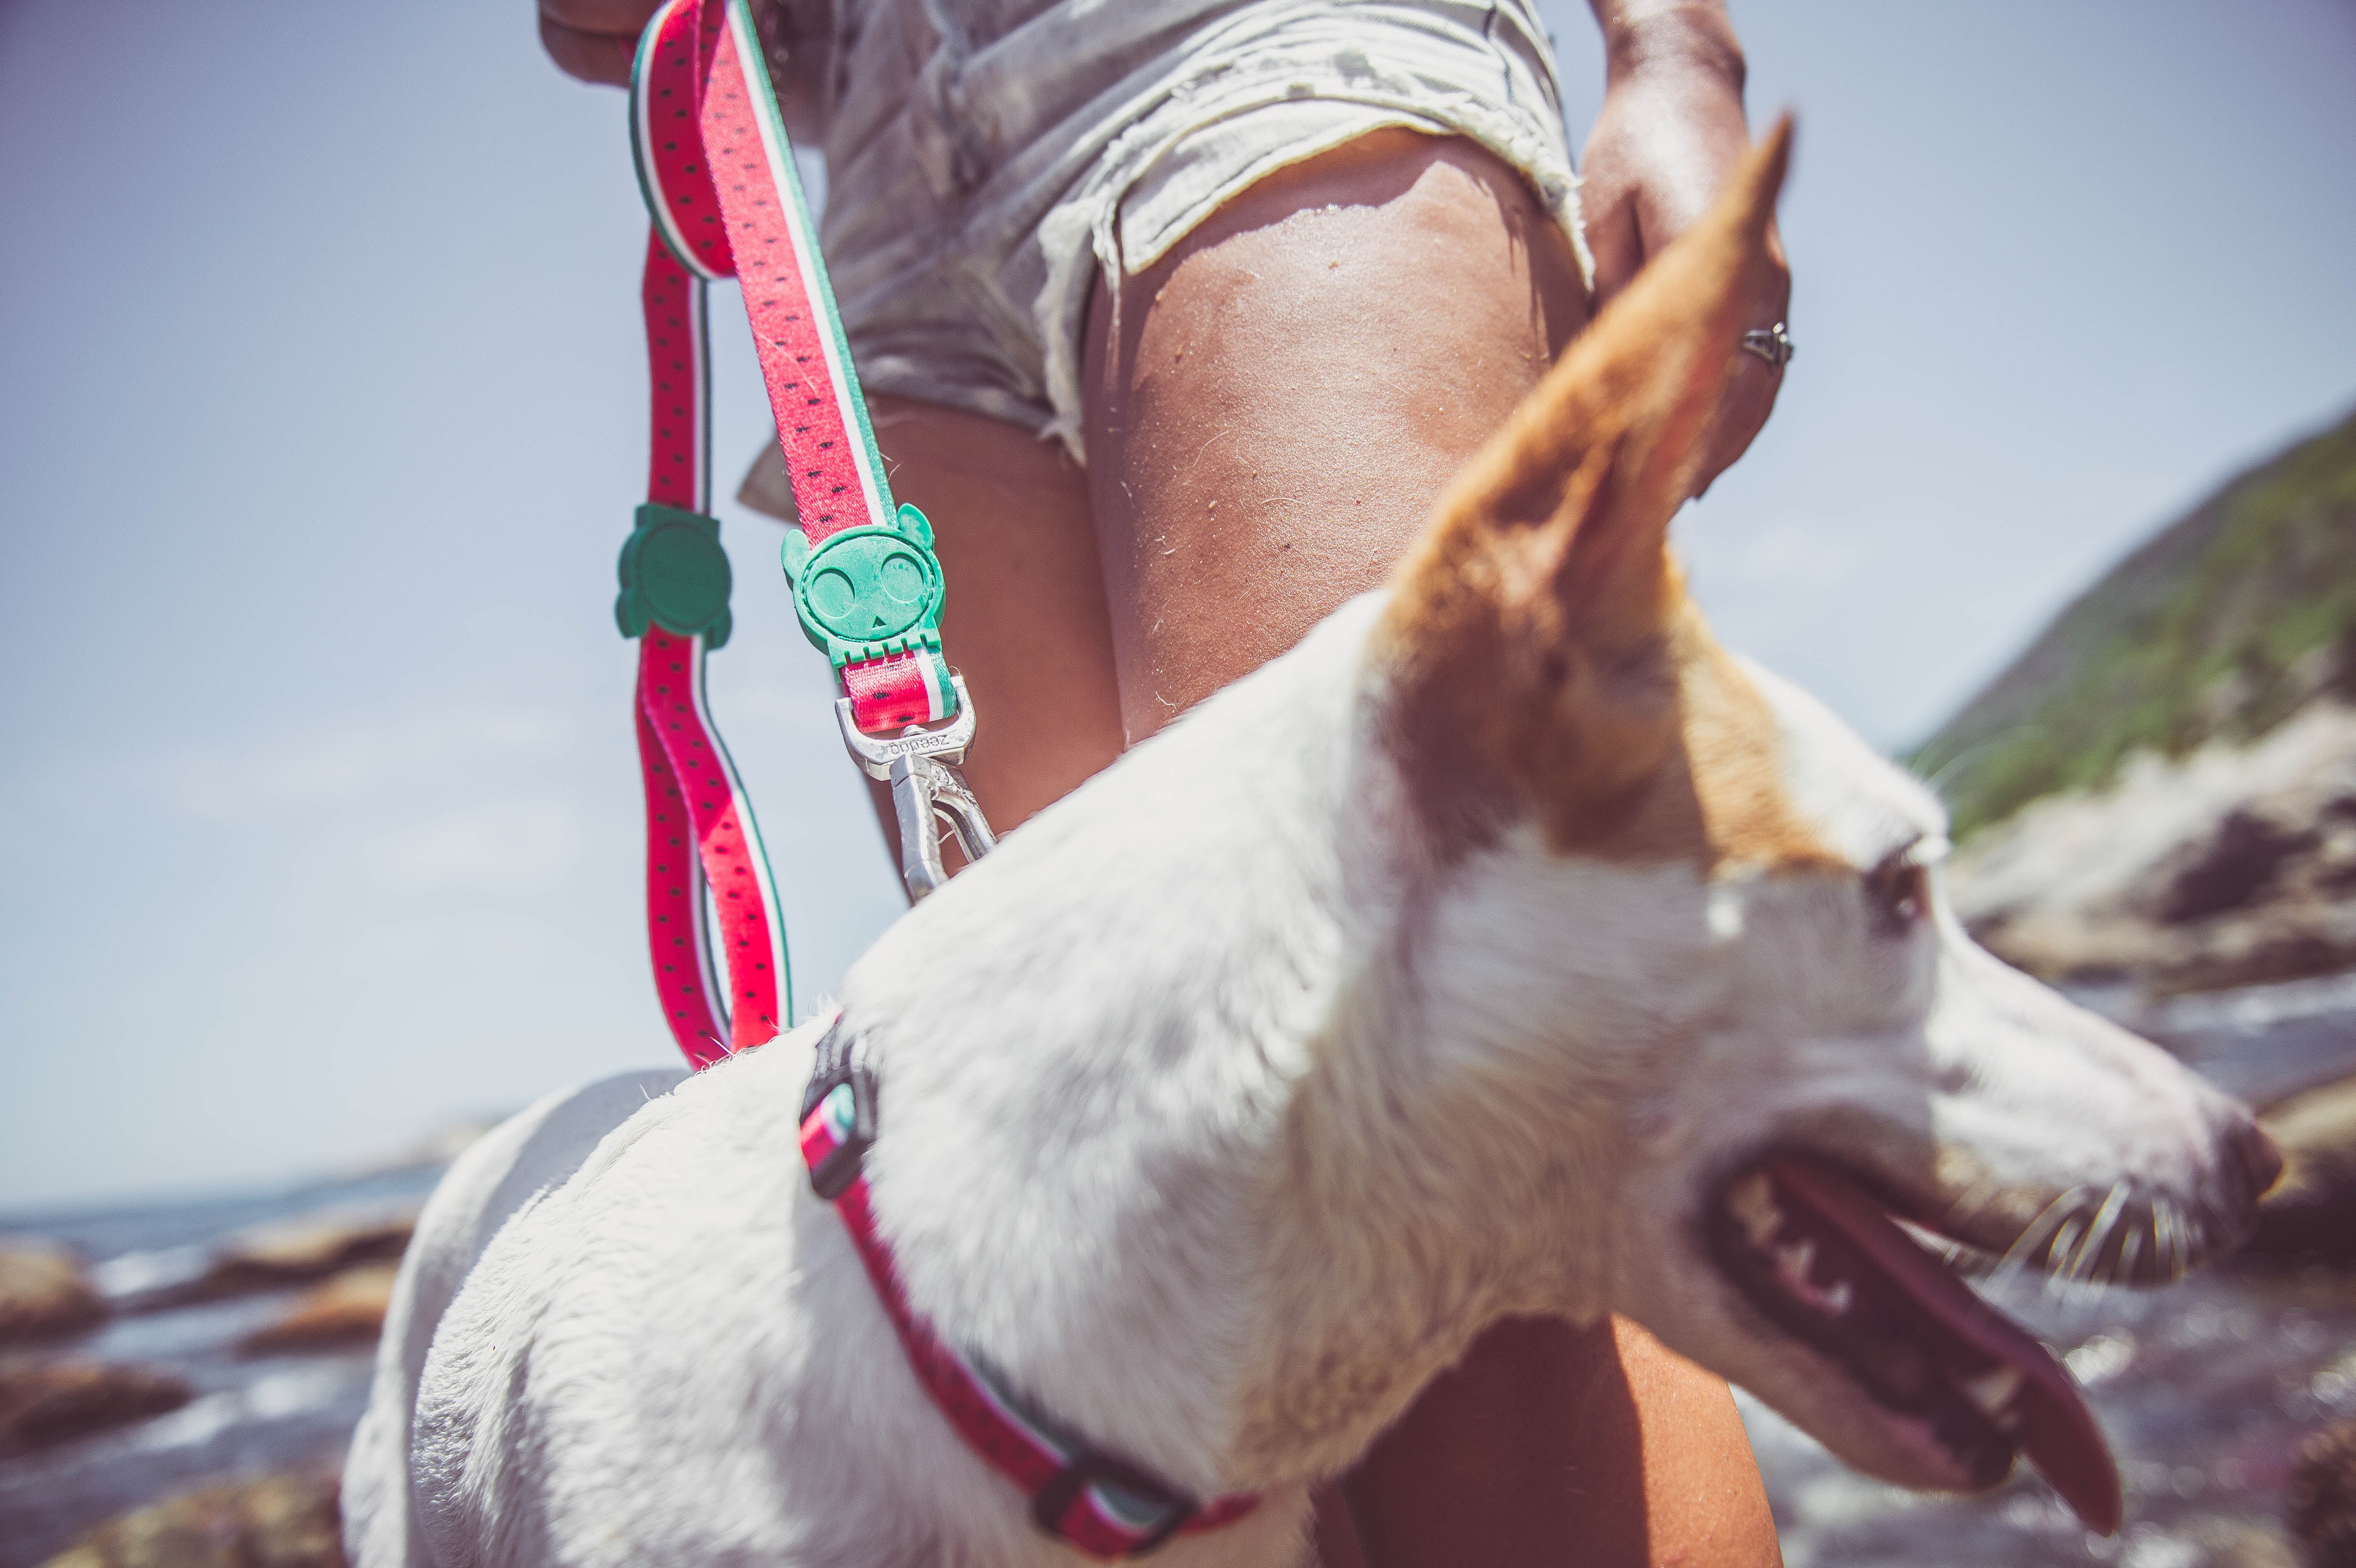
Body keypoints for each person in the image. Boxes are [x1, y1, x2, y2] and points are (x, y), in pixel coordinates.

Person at [541, 0, 1789, 1561]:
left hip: (1253, 51)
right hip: (878, 196)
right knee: (1154, 1237)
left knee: (1439, 1168)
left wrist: (1677, 49)